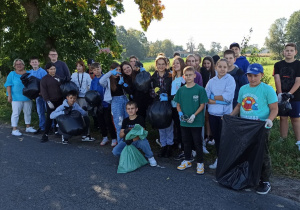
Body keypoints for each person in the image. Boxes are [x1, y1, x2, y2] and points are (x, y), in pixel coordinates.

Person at [231, 63, 278, 194]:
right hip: (246, 126)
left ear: (261, 75)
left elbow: (274, 109)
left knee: (262, 153)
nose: (252, 78)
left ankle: (265, 181)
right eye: (250, 75)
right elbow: (239, 106)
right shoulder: (243, 89)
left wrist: (269, 120)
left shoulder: (267, 89)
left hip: (261, 126)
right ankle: (249, 178)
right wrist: (230, 116)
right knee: (247, 152)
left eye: (255, 76)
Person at [174, 66, 208, 174]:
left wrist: (194, 115)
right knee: (186, 142)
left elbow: (202, 105)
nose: (188, 77)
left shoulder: (200, 89)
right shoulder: (181, 90)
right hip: (184, 121)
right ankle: (187, 160)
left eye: (190, 75)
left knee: (197, 143)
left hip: (196, 121)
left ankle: (200, 163)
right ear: (184, 77)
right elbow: (178, 104)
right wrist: (180, 113)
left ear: (194, 75)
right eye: (186, 75)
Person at [205, 59, 235, 169]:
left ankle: (226, 161)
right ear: (216, 68)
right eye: (220, 67)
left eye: (225, 67)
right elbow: (206, 96)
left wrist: (213, 98)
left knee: (225, 139)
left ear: (227, 68)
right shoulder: (211, 81)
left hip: (225, 115)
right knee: (217, 138)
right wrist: (218, 99)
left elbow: (228, 98)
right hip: (213, 113)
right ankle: (219, 158)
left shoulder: (230, 80)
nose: (222, 69)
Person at [112, 101, 157, 167]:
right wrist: (125, 132)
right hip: (127, 140)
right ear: (126, 110)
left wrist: (132, 140)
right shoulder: (125, 120)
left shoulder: (140, 119)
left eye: (132, 108)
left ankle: (150, 157)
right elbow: (120, 135)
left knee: (144, 143)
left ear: (136, 109)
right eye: (128, 109)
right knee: (115, 151)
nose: (130, 110)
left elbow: (142, 133)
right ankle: (129, 156)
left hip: (137, 139)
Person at [273, 43, 300, 150]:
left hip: (296, 96)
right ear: (283, 52)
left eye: (291, 50)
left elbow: (298, 81)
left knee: (295, 119)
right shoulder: (278, 64)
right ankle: (283, 138)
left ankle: (299, 141)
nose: (289, 52)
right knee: (283, 117)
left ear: (295, 52)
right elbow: (277, 79)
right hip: (281, 95)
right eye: (287, 50)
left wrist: (289, 94)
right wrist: (280, 94)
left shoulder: (298, 64)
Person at [4, 59, 37, 136]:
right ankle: (14, 129)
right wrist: (9, 95)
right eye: (17, 64)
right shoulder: (12, 74)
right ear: (14, 66)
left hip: (27, 97)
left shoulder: (28, 73)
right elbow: (8, 85)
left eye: (20, 64)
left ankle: (28, 127)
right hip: (16, 97)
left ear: (23, 65)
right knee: (15, 113)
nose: (19, 65)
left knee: (28, 112)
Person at [99, 62, 128, 146]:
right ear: (111, 70)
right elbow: (101, 81)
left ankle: (129, 144)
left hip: (125, 100)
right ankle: (120, 145)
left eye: (119, 70)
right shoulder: (108, 80)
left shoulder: (121, 78)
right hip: (115, 102)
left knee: (127, 122)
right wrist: (110, 73)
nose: (118, 71)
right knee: (119, 123)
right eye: (116, 70)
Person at [151, 55, 174, 157]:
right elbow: (150, 90)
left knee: (169, 125)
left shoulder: (170, 76)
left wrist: (168, 97)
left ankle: (170, 146)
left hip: (168, 103)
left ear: (166, 65)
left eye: (163, 64)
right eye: (159, 64)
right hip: (158, 104)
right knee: (160, 125)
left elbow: (174, 91)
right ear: (156, 65)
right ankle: (163, 146)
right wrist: (154, 93)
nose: (161, 66)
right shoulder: (153, 77)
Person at [90, 62, 117, 146]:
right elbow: (91, 92)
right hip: (98, 104)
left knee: (108, 120)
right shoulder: (93, 81)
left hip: (106, 103)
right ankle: (104, 137)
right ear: (92, 71)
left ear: (101, 69)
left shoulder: (106, 78)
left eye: (98, 69)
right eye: (94, 70)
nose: (97, 71)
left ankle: (114, 138)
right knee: (100, 121)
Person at [40, 63, 63, 142]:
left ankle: (57, 131)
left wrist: (60, 82)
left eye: (54, 69)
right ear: (47, 70)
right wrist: (48, 101)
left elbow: (62, 88)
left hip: (59, 100)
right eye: (51, 69)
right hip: (50, 101)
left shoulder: (58, 77)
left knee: (58, 116)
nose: (53, 70)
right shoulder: (44, 79)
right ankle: (45, 134)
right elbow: (43, 91)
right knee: (50, 118)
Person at [27, 57, 48, 134]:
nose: (34, 63)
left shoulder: (43, 72)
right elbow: (29, 85)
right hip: (37, 95)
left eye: (36, 62)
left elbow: (45, 83)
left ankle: (51, 126)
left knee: (48, 111)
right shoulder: (29, 73)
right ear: (30, 63)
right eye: (33, 62)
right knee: (40, 112)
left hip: (45, 95)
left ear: (38, 63)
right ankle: (42, 127)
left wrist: (42, 92)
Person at [171, 57, 186, 160]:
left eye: (177, 63)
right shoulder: (174, 77)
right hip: (173, 106)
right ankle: (181, 148)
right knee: (178, 129)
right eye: (174, 63)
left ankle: (185, 151)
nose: (175, 65)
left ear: (181, 64)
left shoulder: (184, 78)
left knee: (183, 129)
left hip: (181, 108)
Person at [200, 56, 216, 145]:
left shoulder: (215, 74)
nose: (206, 65)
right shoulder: (202, 72)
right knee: (206, 117)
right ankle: (207, 135)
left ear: (211, 64)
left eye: (208, 63)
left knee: (212, 117)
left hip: (213, 98)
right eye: (204, 63)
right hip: (204, 97)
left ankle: (213, 136)